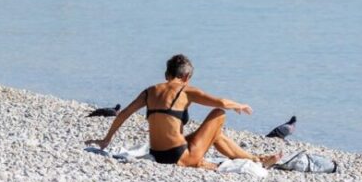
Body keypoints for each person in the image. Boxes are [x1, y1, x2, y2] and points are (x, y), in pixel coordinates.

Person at [85, 54, 282, 169]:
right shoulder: (186, 90)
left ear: (166, 74)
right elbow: (220, 102)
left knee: (216, 134)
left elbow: (123, 114)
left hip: (158, 154)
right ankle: (256, 161)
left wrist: (106, 140)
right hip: (180, 157)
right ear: (186, 77)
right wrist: (240, 105)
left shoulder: (149, 91)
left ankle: (257, 160)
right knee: (218, 114)